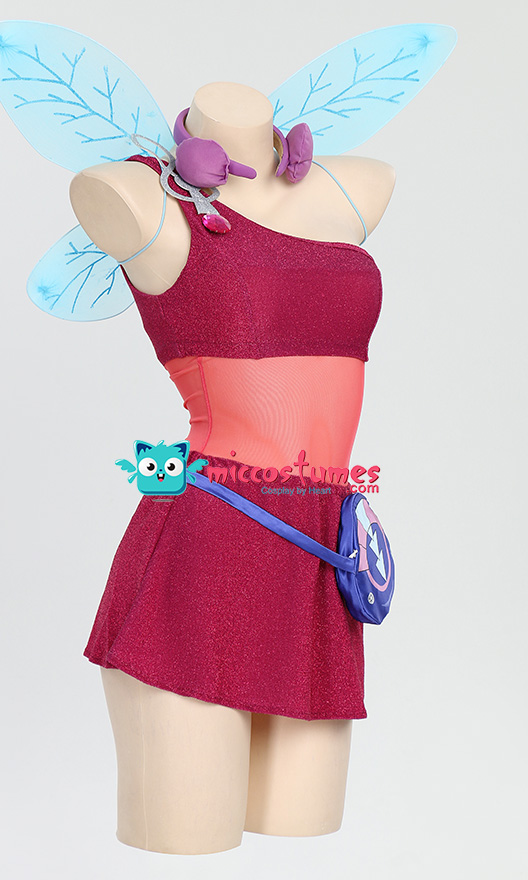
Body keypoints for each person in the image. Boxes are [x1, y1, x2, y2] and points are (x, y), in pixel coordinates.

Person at [71, 81, 395, 855]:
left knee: (304, 843)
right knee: (188, 850)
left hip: (321, 556)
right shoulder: (140, 197)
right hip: (207, 558)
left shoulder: (356, 184)